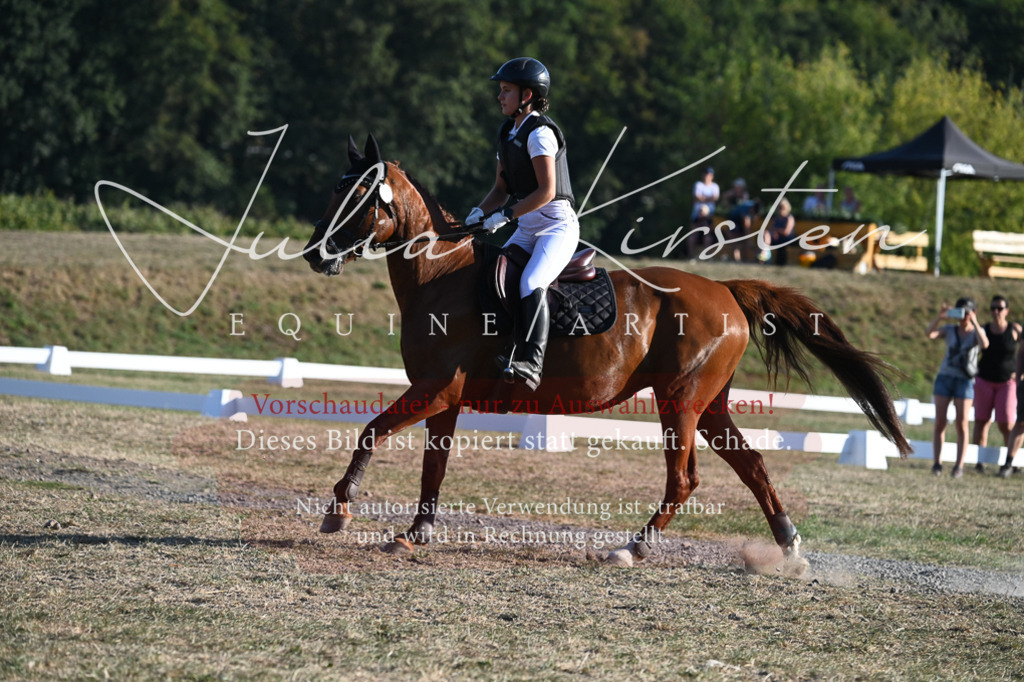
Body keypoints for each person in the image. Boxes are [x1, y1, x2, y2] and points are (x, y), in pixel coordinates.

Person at [465, 57, 579, 392]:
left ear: (526, 95)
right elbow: (500, 190)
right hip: (527, 227)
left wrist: (505, 216)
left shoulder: (540, 133)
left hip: (556, 227)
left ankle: (532, 362)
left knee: (531, 281)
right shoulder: (507, 132)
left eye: (506, 90)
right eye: (500, 90)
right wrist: (478, 212)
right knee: (494, 275)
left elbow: (546, 192)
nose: (499, 96)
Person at [926, 298, 989, 478]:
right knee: (940, 421)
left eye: (967, 312)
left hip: (965, 381)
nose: (963, 316)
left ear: (973, 312)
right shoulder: (949, 329)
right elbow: (929, 334)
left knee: (962, 423)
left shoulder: (977, 332)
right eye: (960, 311)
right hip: (945, 378)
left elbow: (985, 344)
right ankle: (937, 463)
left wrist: (975, 322)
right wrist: (940, 318)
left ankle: (959, 466)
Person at [972, 296, 1021, 472]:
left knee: (1006, 423)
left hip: (1007, 382)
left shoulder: (1014, 329)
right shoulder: (984, 329)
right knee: (981, 421)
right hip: (984, 380)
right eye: (993, 308)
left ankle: (1011, 460)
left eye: (999, 308)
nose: (996, 312)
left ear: (1007, 310)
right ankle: (979, 461)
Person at [767, 198, 796, 266]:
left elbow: (786, 232)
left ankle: (780, 263)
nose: (781, 209)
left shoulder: (789, 218)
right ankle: (765, 259)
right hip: (777, 238)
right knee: (766, 238)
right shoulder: (776, 218)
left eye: (782, 207)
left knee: (782, 244)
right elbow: (770, 229)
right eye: (779, 207)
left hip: (787, 238)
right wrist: (773, 233)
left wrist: (776, 230)